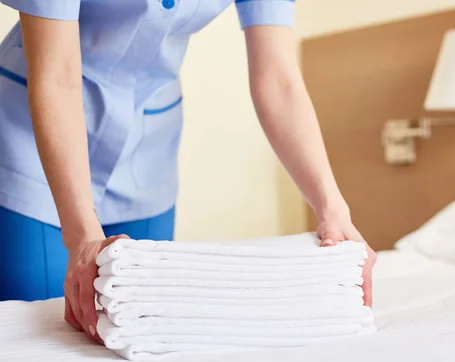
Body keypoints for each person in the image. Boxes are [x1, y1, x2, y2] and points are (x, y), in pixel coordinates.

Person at [0, 0, 376, 342]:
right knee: (44, 335)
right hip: (33, 144)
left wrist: (333, 208)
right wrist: (81, 235)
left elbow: (279, 80)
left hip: (146, 151)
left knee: (142, 329)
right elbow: (56, 74)